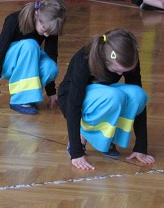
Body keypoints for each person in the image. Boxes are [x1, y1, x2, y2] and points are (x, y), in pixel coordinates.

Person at [58, 29, 155, 170]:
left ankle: (106, 139)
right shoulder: (86, 57)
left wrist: (141, 146)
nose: (121, 74)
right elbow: (73, 104)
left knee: (137, 95)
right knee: (114, 96)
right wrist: (76, 151)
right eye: (117, 71)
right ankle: (83, 135)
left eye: (124, 71)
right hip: (71, 100)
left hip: (102, 98)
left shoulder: (128, 57)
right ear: (107, 59)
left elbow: (138, 103)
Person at [0, 0, 67, 115]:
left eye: (50, 32)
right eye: (44, 29)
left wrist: (51, 92)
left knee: (50, 66)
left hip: (29, 59)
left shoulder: (50, 27)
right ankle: (18, 100)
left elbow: (51, 55)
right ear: (37, 14)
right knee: (31, 45)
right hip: (8, 64)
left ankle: (29, 97)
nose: (46, 35)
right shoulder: (14, 20)